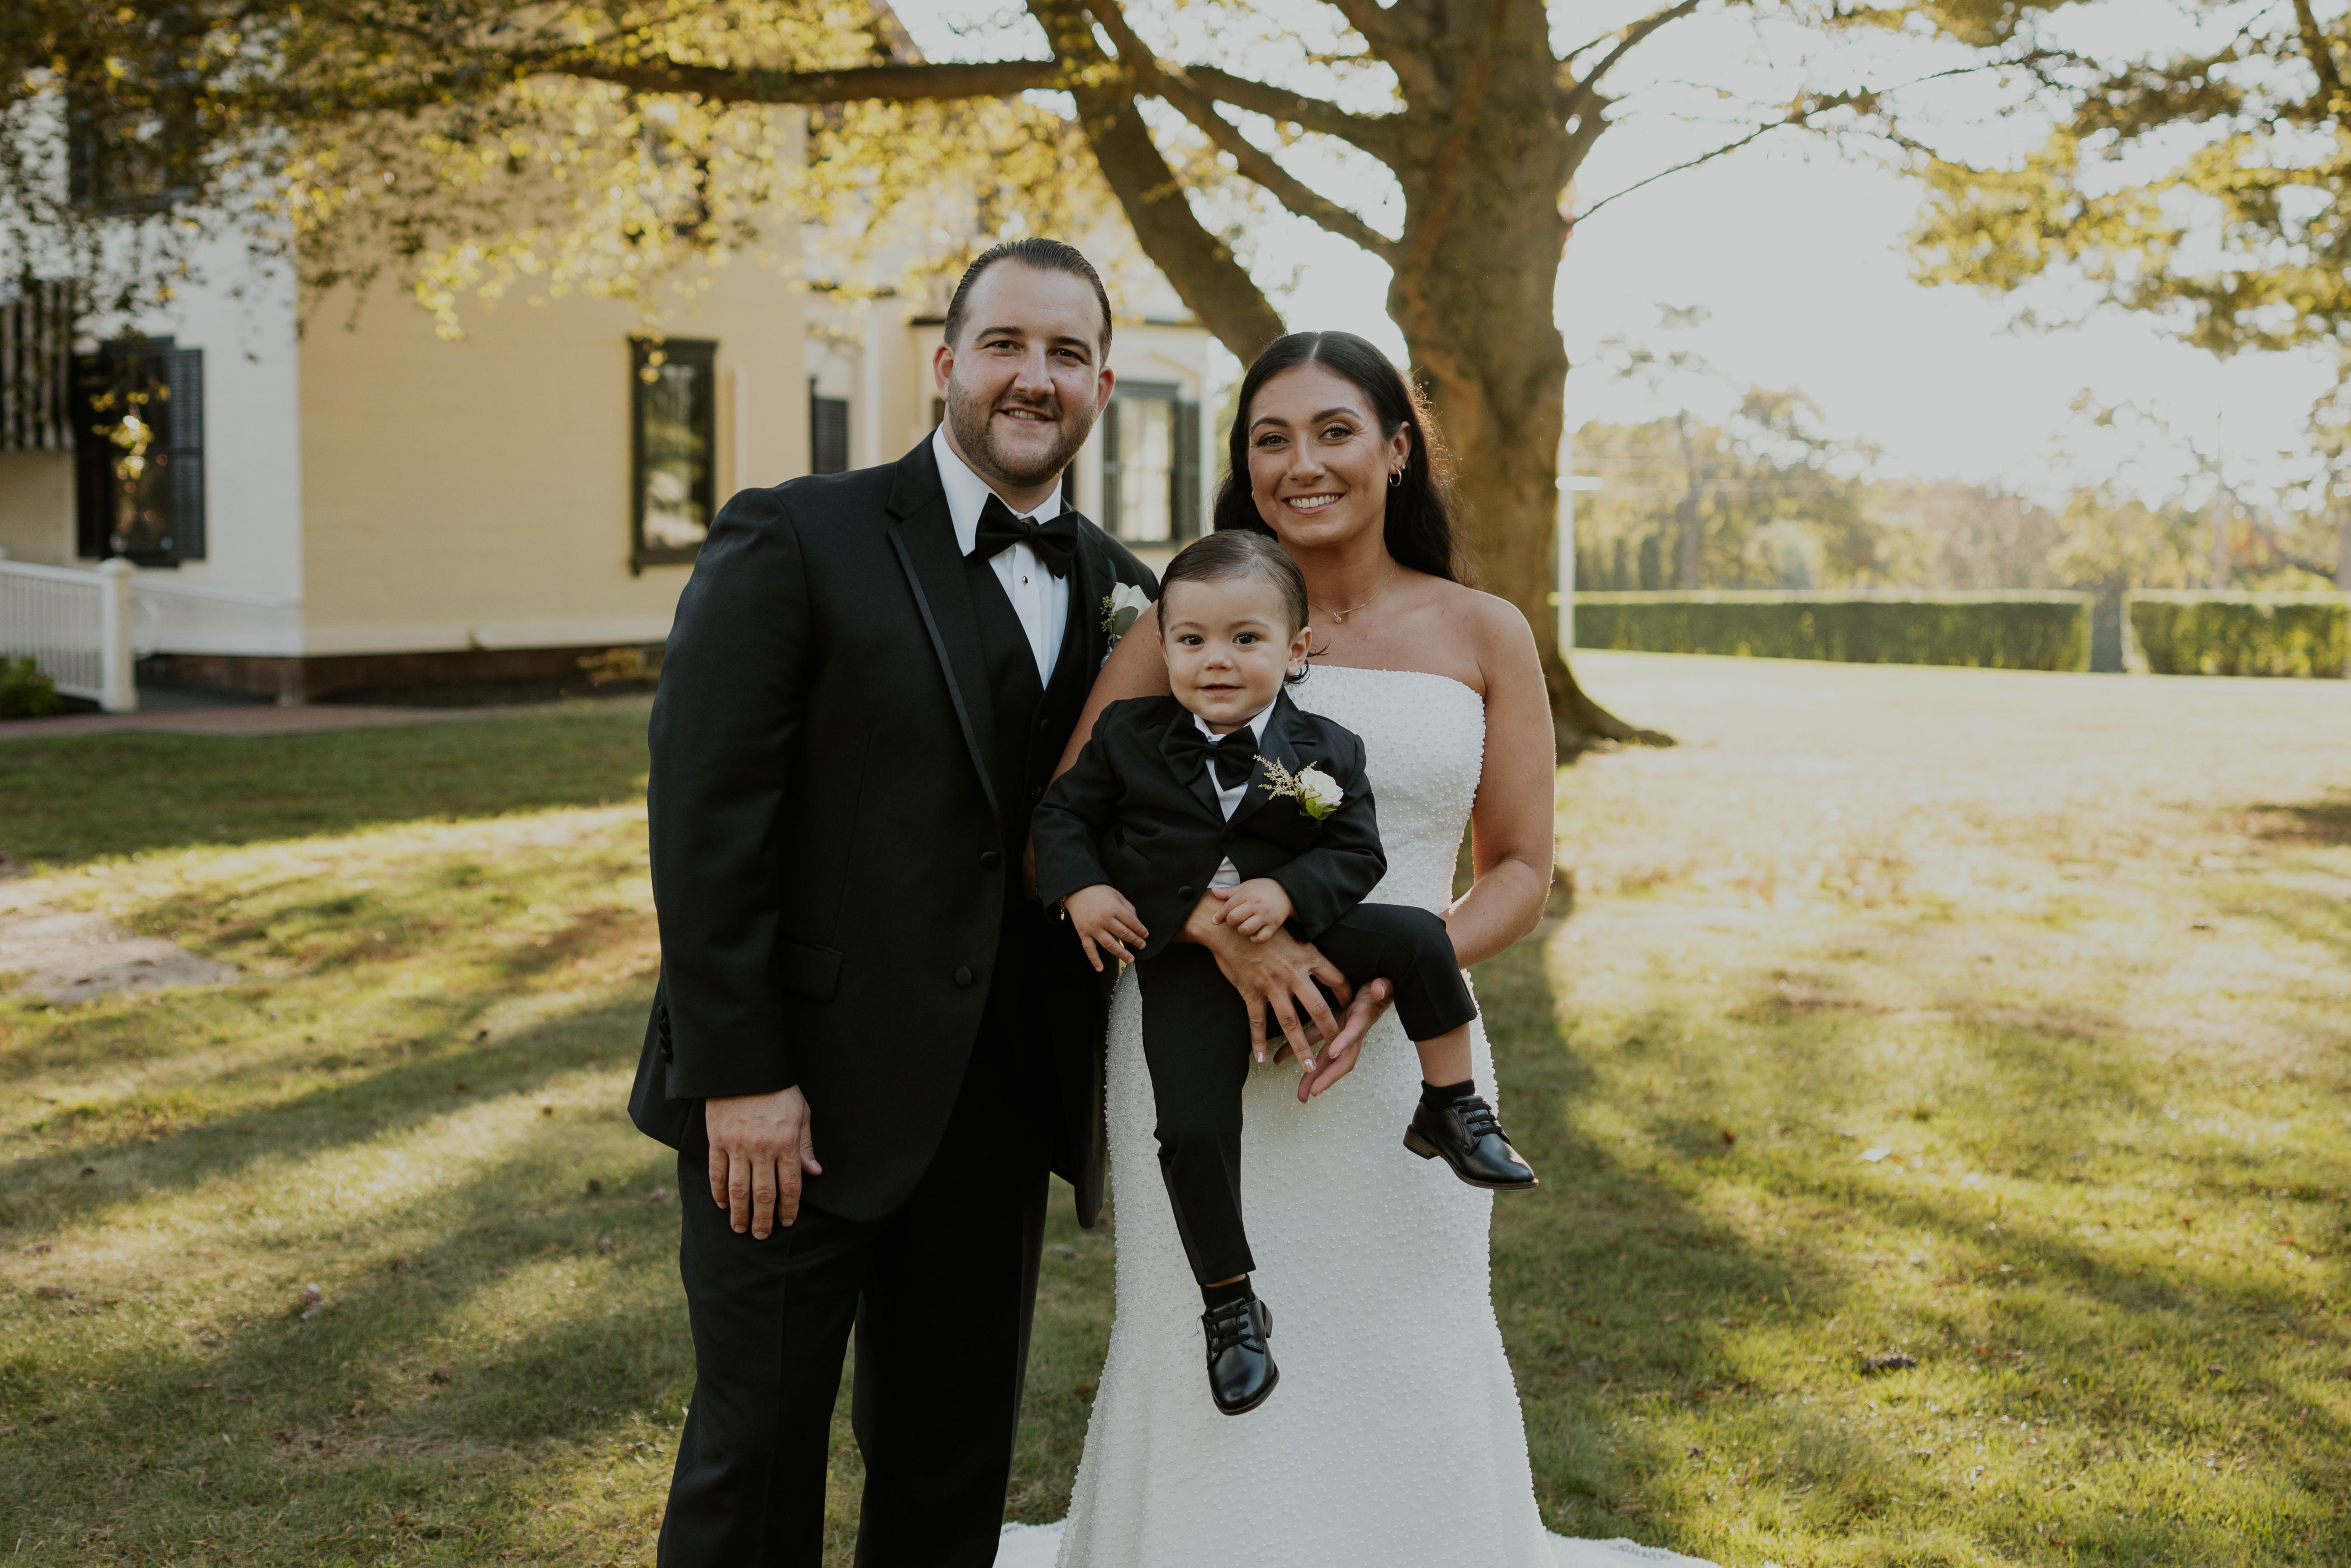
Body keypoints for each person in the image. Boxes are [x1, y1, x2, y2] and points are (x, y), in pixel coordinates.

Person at [1023, 329, 1655, 1568]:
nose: (1300, 463)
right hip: (1190, 1027)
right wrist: (1216, 928)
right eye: (1270, 438)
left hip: (1397, 1050)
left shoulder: (1485, 632)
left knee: (1404, 1338)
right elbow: (1062, 832)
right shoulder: (1186, 621)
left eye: (1333, 431)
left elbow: (1518, 872)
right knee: (1202, 1342)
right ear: (1243, 462)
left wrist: (1381, 982)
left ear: (1396, 449)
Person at [625, 237, 1157, 1568]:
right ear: (945, 362)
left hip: (998, 1105)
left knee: (948, 1468)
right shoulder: (795, 533)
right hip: (791, 1105)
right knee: (755, 1463)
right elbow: (705, 823)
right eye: (1005, 344)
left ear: (1101, 384)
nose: (1034, 377)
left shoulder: (1127, 592)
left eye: (1067, 353)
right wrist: (741, 1074)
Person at [1033, 530, 1537, 1416]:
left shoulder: (1327, 748)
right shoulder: (1127, 735)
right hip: (1182, 957)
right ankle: (1230, 1303)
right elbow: (1066, 823)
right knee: (1189, 1127)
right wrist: (1083, 889)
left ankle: (1450, 1106)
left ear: (1296, 648)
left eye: (1245, 639)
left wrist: (1287, 891)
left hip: (1308, 929)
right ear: (1163, 645)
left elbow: (1358, 851)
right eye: (1191, 641)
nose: (1215, 661)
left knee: (1417, 936)